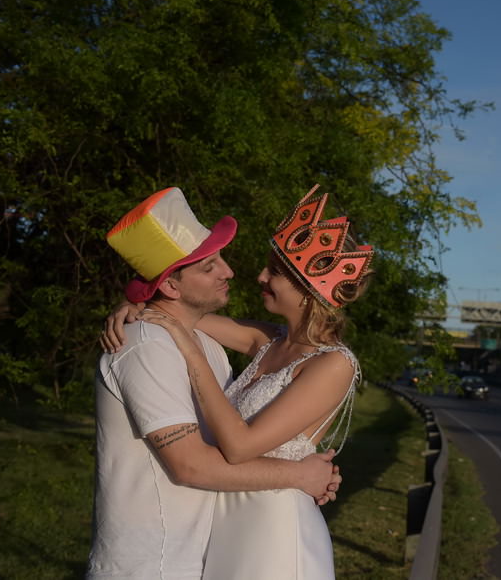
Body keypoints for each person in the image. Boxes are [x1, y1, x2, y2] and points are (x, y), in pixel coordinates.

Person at [110, 184, 373, 579]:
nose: (259, 275)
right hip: (230, 520)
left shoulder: (333, 364)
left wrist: (191, 352)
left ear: (308, 290)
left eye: (275, 272)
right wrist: (135, 304)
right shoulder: (269, 341)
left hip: (275, 525)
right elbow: (179, 313)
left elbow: (239, 446)